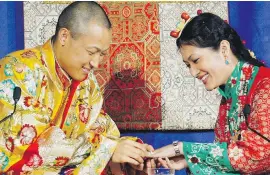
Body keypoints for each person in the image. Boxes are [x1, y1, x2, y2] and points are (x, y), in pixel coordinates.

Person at [0, 1, 154, 174]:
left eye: (102, 54)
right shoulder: (19, 71)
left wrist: (133, 152)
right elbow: (29, 150)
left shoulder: (87, 83)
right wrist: (107, 150)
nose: (96, 63)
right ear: (64, 36)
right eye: (91, 52)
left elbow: (105, 133)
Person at [147, 12, 270, 174]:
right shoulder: (228, 98)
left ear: (224, 49)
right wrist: (190, 161)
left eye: (196, 60)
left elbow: (261, 154)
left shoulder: (265, 85)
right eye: (187, 65)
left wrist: (184, 149)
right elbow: (231, 162)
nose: (192, 72)